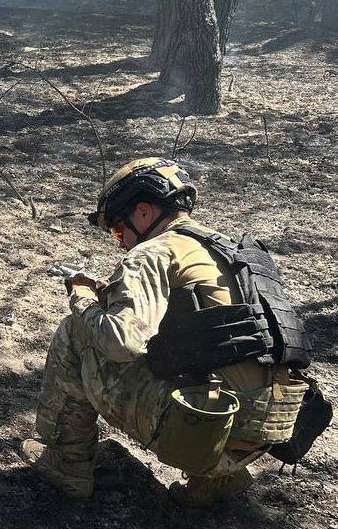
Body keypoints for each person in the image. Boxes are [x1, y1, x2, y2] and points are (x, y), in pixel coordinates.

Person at [19, 157, 314, 507]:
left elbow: (120, 344)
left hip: (208, 435)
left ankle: (68, 467)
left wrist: (82, 298)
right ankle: (220, 480)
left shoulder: (153, 251)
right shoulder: (231, 251)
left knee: (76, 331)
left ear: (143, 211)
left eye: (117, 229)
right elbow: (211, 334)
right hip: (273, 429)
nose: (120, 242)